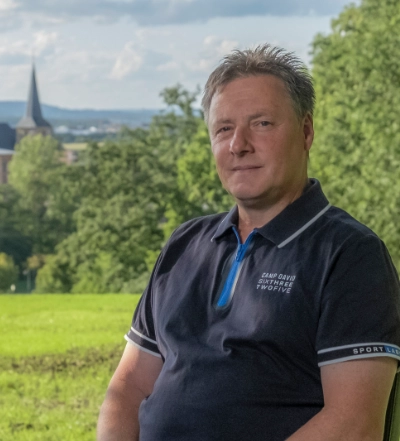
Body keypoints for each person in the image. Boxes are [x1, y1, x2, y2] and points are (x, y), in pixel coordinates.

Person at [97, 44, 400, 441]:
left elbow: (354, 425)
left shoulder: (349, 255)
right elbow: (128, 389)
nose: (238, 145)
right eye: (223, 129)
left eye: (261, 124)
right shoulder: (184, 245)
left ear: (306, 132)